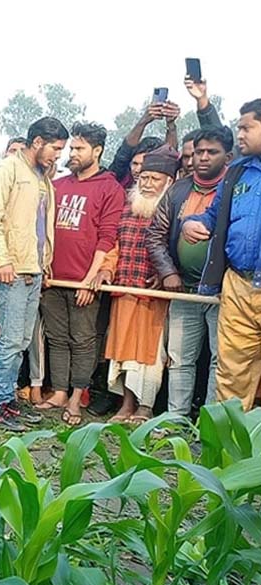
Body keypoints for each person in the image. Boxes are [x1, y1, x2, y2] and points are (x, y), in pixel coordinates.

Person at [0, 117, 68, 431]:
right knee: (10, 340)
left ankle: (8, 400)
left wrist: (45, 260)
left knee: (21, 341)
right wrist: (3, 261)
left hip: (33, 268)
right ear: (39, 141)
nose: (58, 155)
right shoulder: (7, 170)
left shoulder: (42, 176)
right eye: (56, 148)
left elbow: (40, 225)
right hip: (12, 269)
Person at [38, 122, 124, 426]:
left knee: (84, 340)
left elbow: (107, 236)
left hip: (83, 280)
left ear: (97, 150)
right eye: (70, 148)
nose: (71, 153)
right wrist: (44, 265)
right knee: (57, 338)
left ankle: (76, 397)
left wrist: (91, 278)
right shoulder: (58, 185)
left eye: (78, 148)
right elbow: (43, 230)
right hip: (53, 279)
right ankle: (59, 392)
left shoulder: (109, 188)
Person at [144, 127, 233, 416]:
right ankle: (175, 420)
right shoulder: (178, 189)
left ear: (228, 157)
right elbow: (155, 234)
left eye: (212, 152)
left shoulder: (235, 190)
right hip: (183, 290)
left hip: (224, 292)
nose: (203, 158)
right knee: (180, 358)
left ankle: (210, 423)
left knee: (221, 361)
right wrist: (169, 272)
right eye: (198, 152)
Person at [182, 99, 261, 409]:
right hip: (240, 286)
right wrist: (192, 223)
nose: (238, 134)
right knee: (231, 375)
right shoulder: (238, 171)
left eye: (246, 128)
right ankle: (227, 454)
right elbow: (214, 216)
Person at [105, 147, 179, 423]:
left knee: (149, 353)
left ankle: (145, 407)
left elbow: (178, 248)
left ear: (168, 182)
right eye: (143, 178)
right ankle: (125, 404)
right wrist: (105, 270)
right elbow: (113, 244)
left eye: (154, 179)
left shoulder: (174, 207)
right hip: (125, 287)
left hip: (155, 294)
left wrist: (167, 271)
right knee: (123, 351)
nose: (147, 184)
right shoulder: (127, 205)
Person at [109, 101, 181, 189]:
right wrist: (144, 121)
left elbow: (169, 157)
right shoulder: (122, 180)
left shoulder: (164, 185)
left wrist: (171, 124)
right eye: (135, 164)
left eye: (143, 164)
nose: (137, 170)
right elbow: (124, 152)